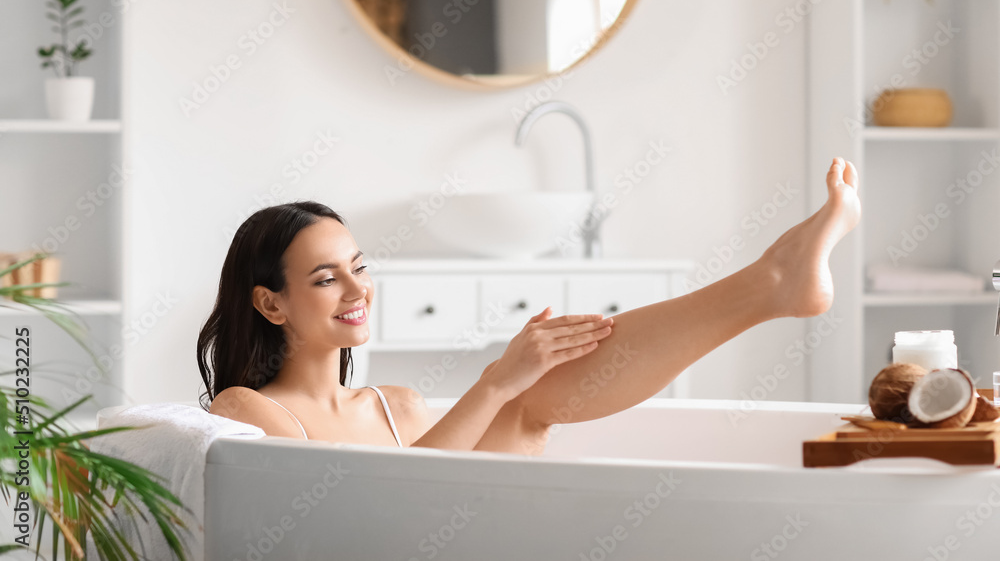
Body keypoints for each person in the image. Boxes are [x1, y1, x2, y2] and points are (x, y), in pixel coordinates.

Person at [198, 158, 860, 455]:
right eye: (324, 278)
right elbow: (381, 506)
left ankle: (768, 285)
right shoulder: (247, 410)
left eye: (360, 267)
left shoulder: (393, 406)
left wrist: (512, 384)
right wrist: (495, 381)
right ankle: (772, 281)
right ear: (270, 303)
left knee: (531, 397)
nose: (356, 289)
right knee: (513, 391)